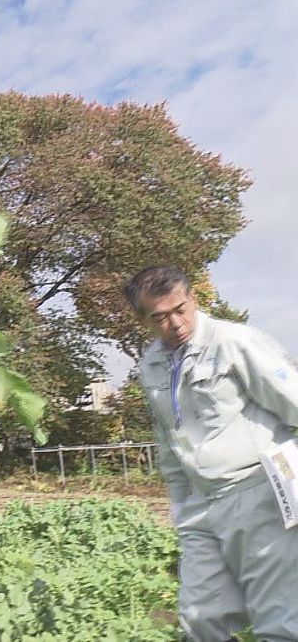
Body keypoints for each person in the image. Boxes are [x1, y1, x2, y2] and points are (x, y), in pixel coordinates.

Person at [125, 265, 298, 641]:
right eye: (161, 317)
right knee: (199, 617)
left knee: (280, 620)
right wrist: (179, 503)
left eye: (181, 309)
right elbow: (168, 440)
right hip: (200, 504)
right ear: (144, 319)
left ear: (194, 298)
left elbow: (294, 403)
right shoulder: (151, 365)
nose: (176, 322)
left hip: (259, 492)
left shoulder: (234, 342)